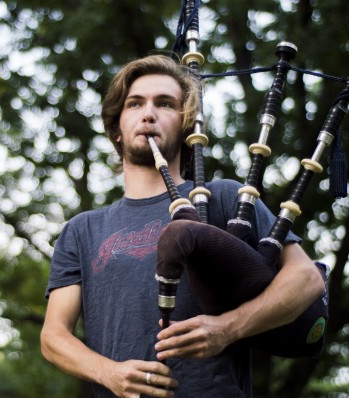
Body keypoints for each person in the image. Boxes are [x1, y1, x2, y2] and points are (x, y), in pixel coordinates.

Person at [40, 54, 325, 398]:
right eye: (134, 104)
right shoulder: (82, 230)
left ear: (186, 125)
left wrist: (226, 329)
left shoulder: (223, 198)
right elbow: (53, 336)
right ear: (116, 129)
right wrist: (108, 372)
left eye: (165, 104)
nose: (149, 113)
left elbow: (305, 279)